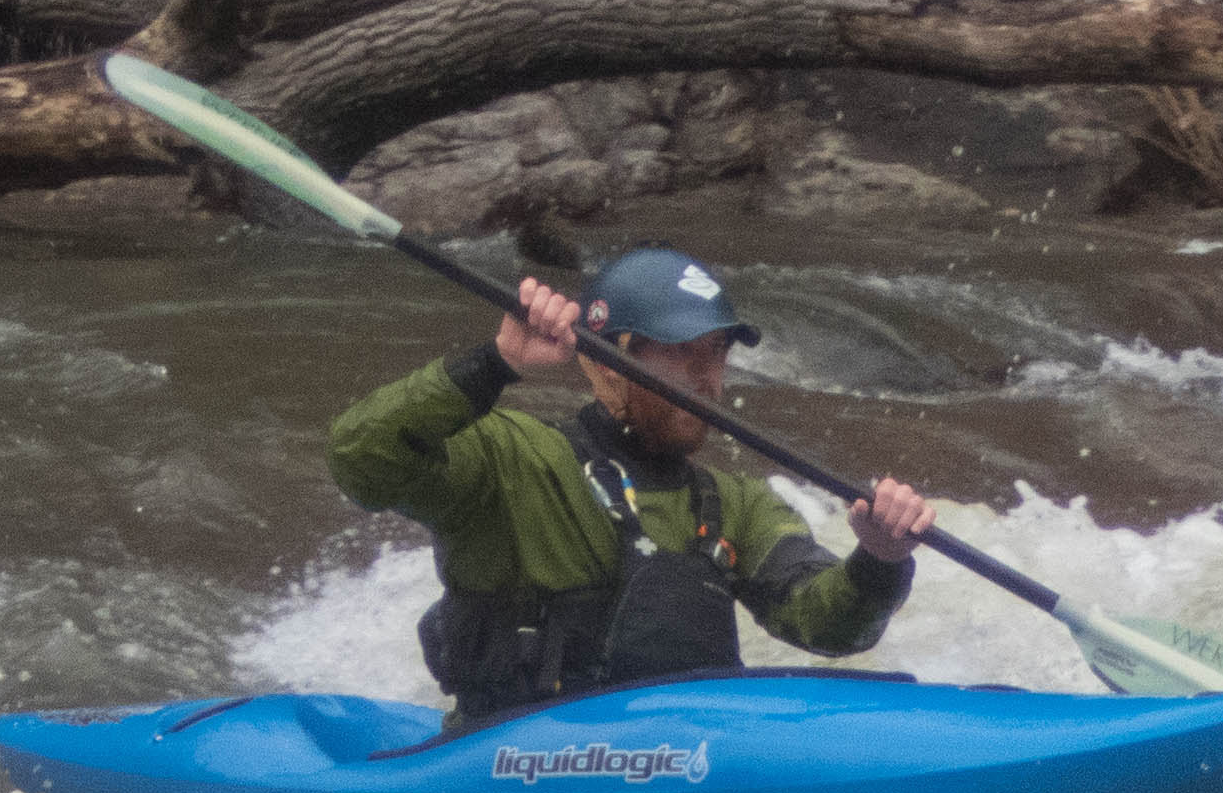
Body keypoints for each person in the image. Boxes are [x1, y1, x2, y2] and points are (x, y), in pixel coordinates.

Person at [327, 245, 939, 727]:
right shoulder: (511, 458)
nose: (704, 376)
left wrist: (879, 560)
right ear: (607, 364)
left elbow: (830, 627)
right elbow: (361, 458)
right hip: (512, 761)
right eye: (678, 352)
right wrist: (495, 362)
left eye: (715, 352)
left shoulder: (736, 504)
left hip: (682, 762)